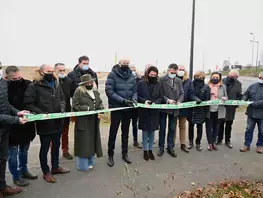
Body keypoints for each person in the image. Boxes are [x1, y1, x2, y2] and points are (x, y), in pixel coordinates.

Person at [24, 64, 70, 183]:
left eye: (51, 71)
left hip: (57, 121)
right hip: (45, 123)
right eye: (47, 71)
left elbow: (62, 98)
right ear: (41, 72)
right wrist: (42, 113)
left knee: (56, 146)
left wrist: (62, 109)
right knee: (44, 148)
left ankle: (55, 167)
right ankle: (46, 172)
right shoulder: (34, 86)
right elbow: (28, 103)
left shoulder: (56, 83)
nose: (50, 73)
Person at [5, 66, 37, 187]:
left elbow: (33, 100)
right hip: (12, 124)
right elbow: (5, 106)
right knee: (13, 153)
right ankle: (16, 176)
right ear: (8, 77)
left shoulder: (28, 84)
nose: (18, 79)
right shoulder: (4, 87)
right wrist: (17, 113)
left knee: (24, 150)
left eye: (19, 77)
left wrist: (31, 111)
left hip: (27, 124)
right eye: (15, 78)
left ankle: (24, 170)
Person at [0, 64, 28, 197]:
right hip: (6, 125)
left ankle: (2, 187)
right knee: (8, 155)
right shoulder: (5, 83)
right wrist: (16, 120)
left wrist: (18, 112)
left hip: (5, 128)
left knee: (2, 158)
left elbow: (5, 104)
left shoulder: (2, 83)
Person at [105, 59, 137, 167]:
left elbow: (135, 90)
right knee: (113, 132)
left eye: (127, 64)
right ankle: (110, 155)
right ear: (119, 63)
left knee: (125, 133)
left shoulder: (131, 75)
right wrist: (122, 100)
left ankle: (125, 153)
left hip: (128, 109)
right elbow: (109, 91)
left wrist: (134, 99)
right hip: (117, 108)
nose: (125, 65)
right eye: (124, 63)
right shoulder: (112, 75)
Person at [72, 74, 103, 171]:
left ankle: (91, 162)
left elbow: (99, 102)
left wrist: (101, 108)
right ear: (84, 83)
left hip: (93, 122)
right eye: (88, 82)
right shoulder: (79, 91)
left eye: (91, 81)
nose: (90, 83)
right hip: (83, 122)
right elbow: (75, 105)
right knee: (84, 143)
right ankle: (82, 165)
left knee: (92, 142)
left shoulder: (95, 92)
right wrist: (86, 108)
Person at [158, 63, 184, 157]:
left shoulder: (178, 80)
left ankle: (170, 147)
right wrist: (167, 100)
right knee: (163, 129)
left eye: (174, 72)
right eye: (171, 72)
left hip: (175, 109)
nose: (172, 73)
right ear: (168, 70)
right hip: (164, 108)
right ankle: (161, 147)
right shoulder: (161, 79)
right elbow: (160, 93)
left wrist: (179, 101)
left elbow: (182, 93)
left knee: (172, 129)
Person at [137, 66, 162, 161]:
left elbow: (161, 96)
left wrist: (156, 103)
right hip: (144, 111)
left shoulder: (158, 84)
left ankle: (150, 150)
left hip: (154, 111)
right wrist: (145, 101)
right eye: (151, 74)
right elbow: (138, 96)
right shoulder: (141, 83)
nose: (153, 76)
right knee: (145, 131)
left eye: (155, 75)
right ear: (148, 74)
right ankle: (145, 150)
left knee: (152, 132)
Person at [176, 65, 201, 153]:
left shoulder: (188, 81)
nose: (181, 71)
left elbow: (191, 93)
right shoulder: (173, 80)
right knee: (172, 127)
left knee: (182, 126)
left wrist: (196, 99)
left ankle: (183, 144)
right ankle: (170, 145)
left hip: (184, 107)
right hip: (174, 106)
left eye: (183, 69)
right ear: (176, 70)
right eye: (180, 69)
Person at [217, 69, 242, 149]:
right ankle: (219, 139)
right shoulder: (221, 81)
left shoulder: (239, 84)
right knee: (220, 124)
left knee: (229, 125)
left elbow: (239, 95)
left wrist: (236, 104)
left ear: (236, 77)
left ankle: (227, 140)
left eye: (233, 77)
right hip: (221, 107)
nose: (230, 77)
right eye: (230, 76)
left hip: (231, 108)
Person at [240, 71, 263, 154]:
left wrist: (254, 103)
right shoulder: (252, 86)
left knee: (262, 131)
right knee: (249, 129)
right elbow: (246, 94)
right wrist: (243, 99)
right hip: (251, 113)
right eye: (260, 77)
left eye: (262, 78)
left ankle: (260, 145)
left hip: (261, 114)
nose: (261, 79)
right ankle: (247, 145)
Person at [54, 63, 73, 159]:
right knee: (54, 134)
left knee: (65, 132)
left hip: (66, 111)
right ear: (55, 71)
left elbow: (73, 94)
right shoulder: (52, 81)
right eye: (60, 70)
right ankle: (54, 152)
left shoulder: (68, 81)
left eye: (63, 70)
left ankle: (65, 150)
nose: (62, 72)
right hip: (54, 112)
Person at [188, 71, 210, 151]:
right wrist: (195, 99)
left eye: (200, 77)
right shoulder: (191, 85)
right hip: (191, 110)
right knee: (190, 126)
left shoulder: (206, 87)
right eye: (197, 76)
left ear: (203, 78)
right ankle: (190, 142)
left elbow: (207, 100)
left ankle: (198, 143)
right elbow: (189, 95)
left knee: (199, 127)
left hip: (201, 110)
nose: (198, 78)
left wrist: (206, 112)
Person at [206, 72, 227, 151]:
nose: (215, 78)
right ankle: (209, 143)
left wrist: (224, 98)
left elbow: (226, 96)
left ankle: (213, 142)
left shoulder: (223, 87)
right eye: (214, 77)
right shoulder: (207, 86)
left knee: (216, 127)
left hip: (219, 110)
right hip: (209, 110)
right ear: (211, 77)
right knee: (209, 127)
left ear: (220, 78)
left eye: (217, 77)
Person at [129, 64, 142, 149]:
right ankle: (125, 141)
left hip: (135, 106)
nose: (133, 72)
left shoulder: (138, 80)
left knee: (135, 124)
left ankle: (135, 140)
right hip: (126, 105)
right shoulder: (126, 79)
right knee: (125, 125)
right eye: (131, 70)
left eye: (134, 70)